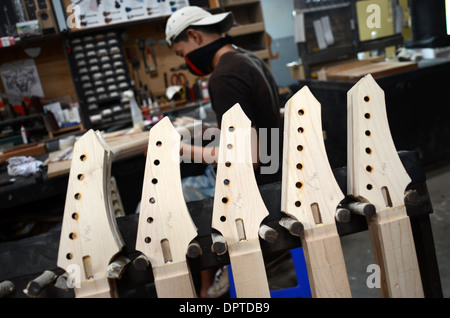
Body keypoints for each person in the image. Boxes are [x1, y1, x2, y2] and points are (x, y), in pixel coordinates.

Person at [165, 6, 282, 297]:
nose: (186, 62)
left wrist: (180, 150)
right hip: (275, 171)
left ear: (194, 36)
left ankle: (203, 291)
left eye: (182, 53)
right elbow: (256, 128)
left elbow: (251, 155)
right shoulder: (248, 59)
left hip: (257, 186)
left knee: (163, 205)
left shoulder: (223, 77)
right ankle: (210, 283)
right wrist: (207, 133)